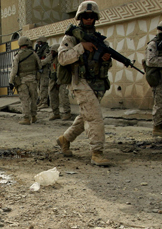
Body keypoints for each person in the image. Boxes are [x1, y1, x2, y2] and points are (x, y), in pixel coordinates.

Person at [54, 1, 111, 166]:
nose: (88, 19)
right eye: (85, 16)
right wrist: (81, 47)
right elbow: (62, 58)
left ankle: (65, 139)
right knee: (94, 116)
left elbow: (106, 65)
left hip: (96, 82)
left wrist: (106, 59)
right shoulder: (71, 37)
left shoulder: (100, 40)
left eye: (92, 16)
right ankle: (97, 152)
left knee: (87, 114)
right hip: (79, 81)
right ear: (80, 17)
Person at [9, 36, 41, 125]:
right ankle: (34, 116)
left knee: (25, 100)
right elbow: (40, 65)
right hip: (33, 80)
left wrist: (11, 81)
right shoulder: (33, 54)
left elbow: (14, 70)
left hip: (22, 82)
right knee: (33, 99)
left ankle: (26, 118)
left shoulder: (18, 55)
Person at [47, 44, 72, 121]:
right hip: (53, 80)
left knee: (63, 96)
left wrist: (59, 80)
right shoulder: (52, 58)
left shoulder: (62, 58)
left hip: (62, 80)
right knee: (52, 96)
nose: (51, 52)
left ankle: (67, 113)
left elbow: (62, 71)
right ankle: (56, 113)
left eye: (53, 51)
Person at [35, 36, 51, 109]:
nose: (38, 44)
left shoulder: (47, 49)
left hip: (45, 70)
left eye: (39, 42)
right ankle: (41, 101)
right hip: (40, 70)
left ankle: (44, 102)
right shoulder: (39, 50)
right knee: (39, 86)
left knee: (43, 86)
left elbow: (48, 59)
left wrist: (40, 63)